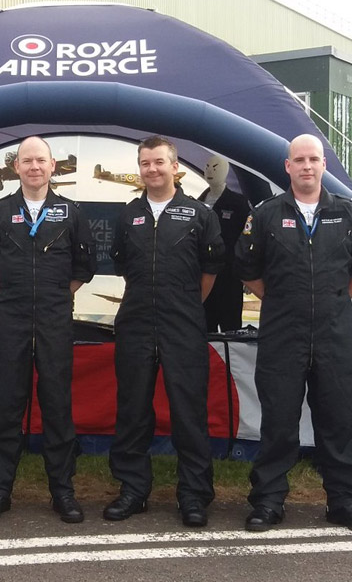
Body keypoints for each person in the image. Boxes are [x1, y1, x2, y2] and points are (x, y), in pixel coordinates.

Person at [234, 133, 352, 533]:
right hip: (283, 335)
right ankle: (267, 502)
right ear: (287, 167)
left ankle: (343, 502)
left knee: (338, 421)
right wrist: (284, 301)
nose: (306, 166)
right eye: (298, 160)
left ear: (323, 165)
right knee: (279, 423)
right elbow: (248, 271)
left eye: (313, 159)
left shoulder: (349, 213)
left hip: (334, 335)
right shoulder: (266, 214)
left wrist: (335, 299)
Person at [0, 136, 96, 523]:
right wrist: (12, 296)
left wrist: (56, 297)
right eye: (27, 161)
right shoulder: (0, 211)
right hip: (10, 321)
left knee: (57, 406)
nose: (34, 167)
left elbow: (83, 268)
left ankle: (63, 492)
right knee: (4, 405)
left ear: (52, 166)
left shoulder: (70, 212)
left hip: (54, 321)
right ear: (17, 167)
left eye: (40, 160)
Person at [105, 136, 224, 527]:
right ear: (139, 169)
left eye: (159, 162)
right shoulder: (128, 215)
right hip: (136, 324)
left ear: (175, 167)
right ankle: (133, 491)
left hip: (183, 325)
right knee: (133, 412)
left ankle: (193, 496)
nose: (152, 169)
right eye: (145, 163)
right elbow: (124, 267)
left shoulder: (198, 215)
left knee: (189, 414)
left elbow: (209, 274)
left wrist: (184, 305)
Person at [197, 155, 253, 333]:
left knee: (231, 328)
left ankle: (231, 361)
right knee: (205, 327)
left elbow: (248, 238)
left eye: (215, 167)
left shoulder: (238, 203)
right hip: (204, 277)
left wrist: (248, 273)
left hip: (230, 277)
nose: (210, 171)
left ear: (226, 170)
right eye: (207, 166)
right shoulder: (198, 203)